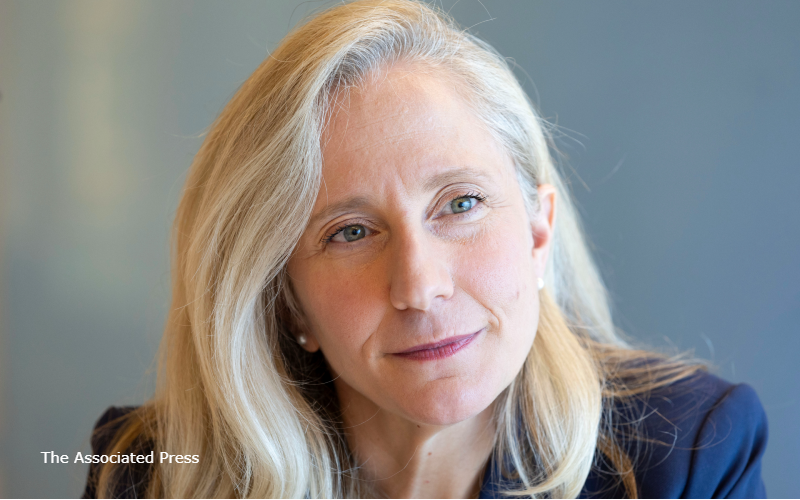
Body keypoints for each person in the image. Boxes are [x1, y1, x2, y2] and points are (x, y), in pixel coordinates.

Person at [82, 1, 767, 498]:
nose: (418, 285)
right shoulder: (151, 475)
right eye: (350, 232)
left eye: (460, 204)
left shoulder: (689, 455)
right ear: (286, 302)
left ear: (539, 232)